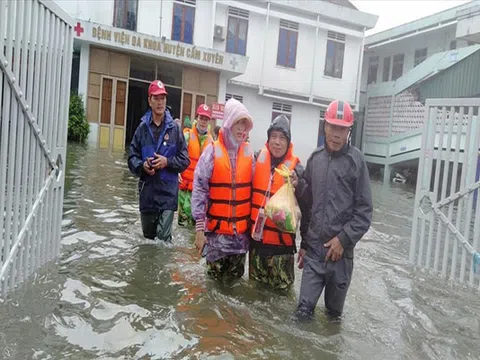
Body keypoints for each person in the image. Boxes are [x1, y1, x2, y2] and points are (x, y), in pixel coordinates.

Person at [294, 100, 373, 320]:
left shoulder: (356, 162)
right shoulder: (315, 159)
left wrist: (343, 239)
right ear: (325, 127)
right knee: (302, 313)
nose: (336, 134)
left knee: (333, 318)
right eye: (333, 127)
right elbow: (307, 207)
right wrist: (305, 245)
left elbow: (365, 212)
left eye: (342, 129)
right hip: (315, 254)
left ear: (349, 130)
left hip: (341, 257)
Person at [191, 98, 254, 280]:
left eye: (244, 124)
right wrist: (199, 231)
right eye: (237, 123)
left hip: (240, 241)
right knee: (212, 289)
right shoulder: (211, 153)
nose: (241, 128)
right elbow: (199, 191)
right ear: (228, 123)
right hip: (216, 240)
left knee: (234, 289)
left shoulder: (250, 154)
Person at [128, 80, 190, 242]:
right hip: (147, 193)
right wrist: (143, 166)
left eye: (163, 98)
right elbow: (132, 158)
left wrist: (167, 162)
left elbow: (185, 160)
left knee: (163, 239)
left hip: (168, 194)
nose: (160, 102)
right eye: (156, 98)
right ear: (149, 101)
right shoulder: (142, 129)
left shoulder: (175, 129)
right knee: (148, 240)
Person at [249, 115, 304, 291]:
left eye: (282, 138)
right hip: (257, 246)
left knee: (281, 300)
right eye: (273, 137)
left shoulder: (297, 169)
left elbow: (307, 200)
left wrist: (299, 184)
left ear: (288, 142)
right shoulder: (257, 159)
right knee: (254, 296)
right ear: (268, 139)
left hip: (282, 250)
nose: (277, 142)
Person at [178, 104, 214, 227]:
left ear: (209, 121)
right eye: (201, 118)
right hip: (184, 189)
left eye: (206, 119)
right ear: (197, 118)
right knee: (182, 226)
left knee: (196, 226)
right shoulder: (186, 136)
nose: (203, 122)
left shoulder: (211, 142)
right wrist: (176, 172)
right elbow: (176, 154)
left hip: (200, 193)